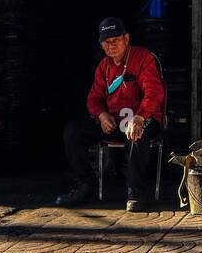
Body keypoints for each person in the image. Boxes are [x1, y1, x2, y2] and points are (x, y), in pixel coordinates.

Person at [60, 17, 166, 212]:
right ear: (101, 45)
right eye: (107, 42)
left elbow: (154, 92)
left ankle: (136, 191)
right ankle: (86, 185)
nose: (111, 46)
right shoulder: (104, 66)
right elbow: (93, 98)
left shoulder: (143, 57)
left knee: (137, 133)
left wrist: (140, 116)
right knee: (73, 131)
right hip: (114, 122)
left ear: (126, 38)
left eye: (115, 40)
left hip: (143, 119)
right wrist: (101, 115)